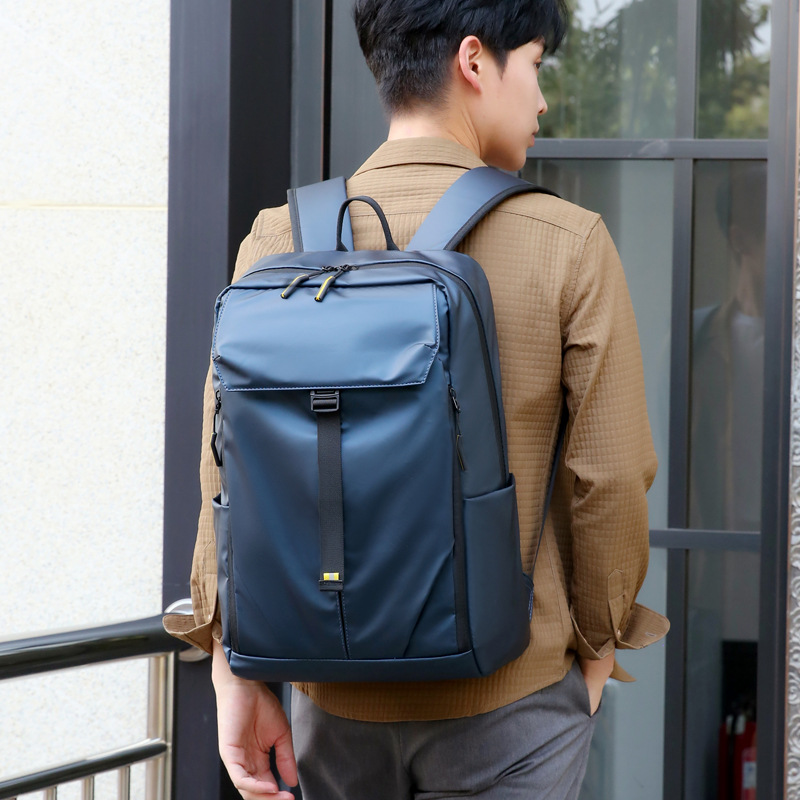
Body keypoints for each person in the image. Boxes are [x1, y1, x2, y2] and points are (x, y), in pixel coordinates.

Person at [163, 1, 669, 798]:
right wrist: (598, 652)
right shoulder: (568, 242)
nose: (542, 101)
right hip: (511, 703)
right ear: (474, 61)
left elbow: (223, 473)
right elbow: (608, 478)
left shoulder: (276, 239)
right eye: (535, 65)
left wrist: (235, 670)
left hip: (332, 706)